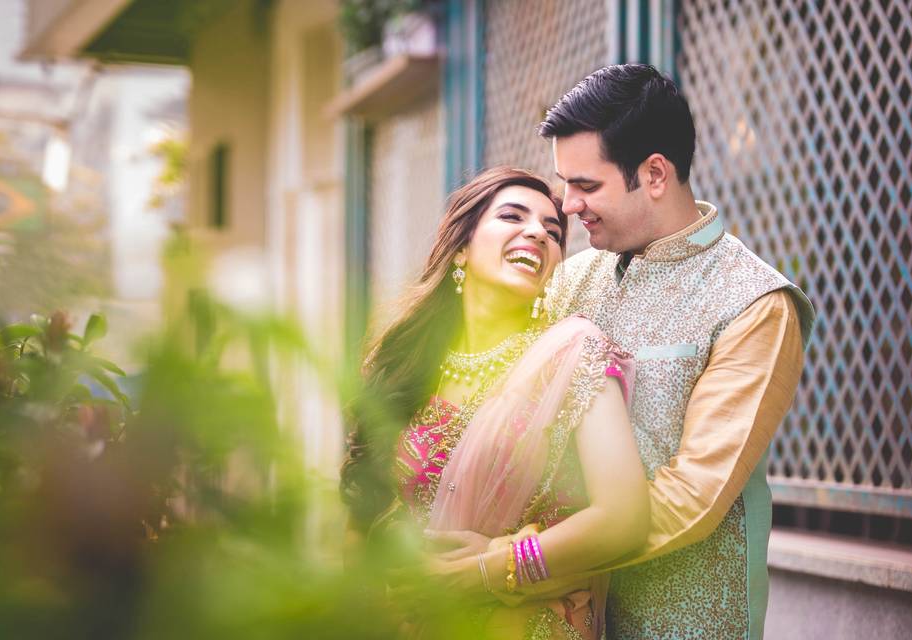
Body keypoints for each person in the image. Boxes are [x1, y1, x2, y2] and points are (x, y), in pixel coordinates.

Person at [521, 63, 815, 639]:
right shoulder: (571, 278)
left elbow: (695, 496)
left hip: (682, 621)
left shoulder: (755, 303)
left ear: (654, 173)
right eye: (563, 183)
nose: (567, 205)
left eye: (586, 185)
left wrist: (533, 560)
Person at [341, 167, 650, 639]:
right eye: (512, 216)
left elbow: (624, 518)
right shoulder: (407, 370)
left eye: (553, 231)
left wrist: (487, 570)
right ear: (461, 246)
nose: (538, 233)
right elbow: (364, 522)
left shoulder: (572, 356)